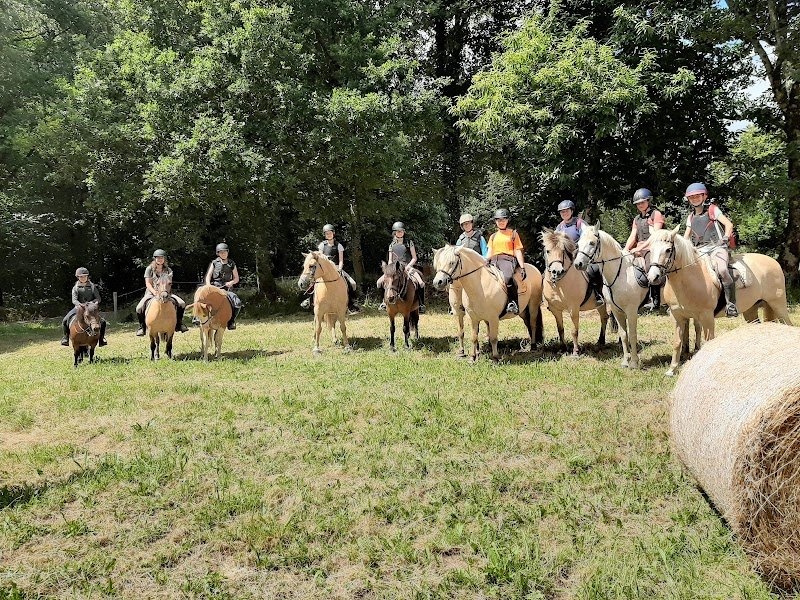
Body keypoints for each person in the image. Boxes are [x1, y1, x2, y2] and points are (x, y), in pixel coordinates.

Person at [683, 182, 738, 317]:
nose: (695, 199)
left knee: (723, 270)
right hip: (699, 250)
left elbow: (729, 224)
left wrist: (725, 237)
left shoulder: (713, 210)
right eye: (692, 197)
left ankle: (731, 305)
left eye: (697, 196)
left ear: (704, 196)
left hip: (717, 247)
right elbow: (686, 236)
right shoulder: (690, 217)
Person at [554, 199, 604, 304]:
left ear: (572, 211)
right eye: (562, 212)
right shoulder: (559, 227)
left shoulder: (580, 223)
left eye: (566, 211)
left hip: (579, 254)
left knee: (593, 269)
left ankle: (598, 294)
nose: (564, 213)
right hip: (564, 256)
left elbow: (586, 237)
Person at [300, 224, 360, 314]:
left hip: (336, 267)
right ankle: (309, 301)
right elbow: (319, 259)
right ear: (325, 235)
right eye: (327, 233)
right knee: (315, 282)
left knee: (352, 283)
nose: (328, 235)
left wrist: (340, 269)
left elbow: (340, 260)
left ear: (333, 233)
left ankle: (351, 304)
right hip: (324, 269)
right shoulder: (322, 245)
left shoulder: (339, 246)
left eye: (330, 233)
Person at [623, 188, 665, 310]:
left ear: (648, 201)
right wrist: (626, 249)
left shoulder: (656, 214)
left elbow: (656, 236)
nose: (640, 205)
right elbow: (633, 235)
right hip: (640, 247)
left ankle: (655, 300)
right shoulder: (637, 218)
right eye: (638, 203)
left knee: (649, 266)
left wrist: (640, 248)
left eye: (642, 202)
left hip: (652, 247)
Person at [135, 249, 189, 336]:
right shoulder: (149, 269)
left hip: (166, 293)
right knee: (139, 308)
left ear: (164, 259)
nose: (160, 259)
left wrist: (167, 292)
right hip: (151, 293)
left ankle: (179, 324)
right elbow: (148, 283)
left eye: (162, 258)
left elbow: (169, 283)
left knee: (182, 303)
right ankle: (142, 328)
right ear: (154, 259)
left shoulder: (168, 270)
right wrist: (154, 292)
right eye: (158, 258)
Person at [377, 221, 426, 313]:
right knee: (379, 282)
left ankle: (421, 304)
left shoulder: (409, 243)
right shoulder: (391, 245)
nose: (400, 233)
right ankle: (384, 302)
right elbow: (390, 260)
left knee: (420, 282)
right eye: (398, 231)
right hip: (395, 268)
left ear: (404, 232)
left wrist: (409, 266)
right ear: (394, 233)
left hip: (408, 266)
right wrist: (389, 269)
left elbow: (414, 257)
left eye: (401, 231)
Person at [486, 208, 525, 315]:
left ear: (508, 220)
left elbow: (517, 250)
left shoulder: (513, 234)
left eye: (503, 219)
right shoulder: (493, 236)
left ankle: (513, 303)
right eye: (499, 220)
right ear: (495, 221)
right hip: (494, 260)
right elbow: (489, 252)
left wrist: (522, 266)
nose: (501, 222)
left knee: (507, 278)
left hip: (508, 259)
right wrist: (484, 263)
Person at [61, 267, 107, 346]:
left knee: (103, 322)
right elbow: (74, 300)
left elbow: (98, 298)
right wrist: (80, 304)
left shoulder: (92, 286)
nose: (83, 278)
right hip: (79, 307)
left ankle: (101, 339)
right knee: (65, 320)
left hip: (90, 308)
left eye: (85, 276)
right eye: (81, 276)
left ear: (87, 276)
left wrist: (94, 303)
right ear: (78, 277)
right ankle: (66, 338)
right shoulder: (75, 288)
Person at [204, 243, 243, 330]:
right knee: (202, 299)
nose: (223, 254)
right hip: (215, 287)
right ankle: (197, 319)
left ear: (227, 252)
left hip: (227, 289)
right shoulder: (214, 263)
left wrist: (231, 282)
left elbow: (236, 278)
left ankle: (231, 321)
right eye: (221, 252)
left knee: (237, 303)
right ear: (218, 253)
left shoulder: (232, 264)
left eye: (225, 252)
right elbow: (208, 276)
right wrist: (208, 285)